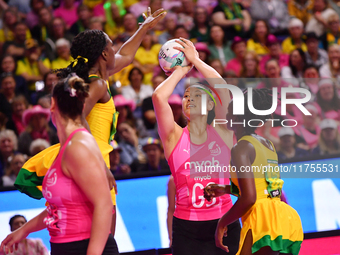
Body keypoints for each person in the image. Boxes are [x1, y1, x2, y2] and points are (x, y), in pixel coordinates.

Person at [14, 8, 167, 234]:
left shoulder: (94, 80)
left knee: (87, 227)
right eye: (111, 46)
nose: (116, 50)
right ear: (104, 54)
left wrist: (143, 28)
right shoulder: (97, 85)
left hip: (87, 156)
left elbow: (127, 55)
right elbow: (76, 120)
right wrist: (100, 167)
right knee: (106, 236)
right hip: (92, 158)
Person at [0, 76, 117, 255]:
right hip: (66, 245)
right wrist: (23, 230)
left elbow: (104, 204)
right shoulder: (71, 144)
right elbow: (59, 209)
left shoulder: (77, 147)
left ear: (52, 105)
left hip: (82, 245)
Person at [152, 37, 241, 255]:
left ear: (211, 105)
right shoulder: (173, 136)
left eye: (197, 95)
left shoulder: (223, 131)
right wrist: (182, 70)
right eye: (185, 96)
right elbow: (158, 97)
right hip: (186, 229)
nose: (189, 98)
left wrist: (196, 61)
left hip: (225, 223)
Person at [204, 88, 303, 255]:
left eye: (229, 112)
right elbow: (263, 187)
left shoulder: (240, 148)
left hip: (261, 218)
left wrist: (222, 222)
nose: (226, 116)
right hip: (281, 215)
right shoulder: (268, 144)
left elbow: (250, 198)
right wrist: (225, 190)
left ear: (236, 117)